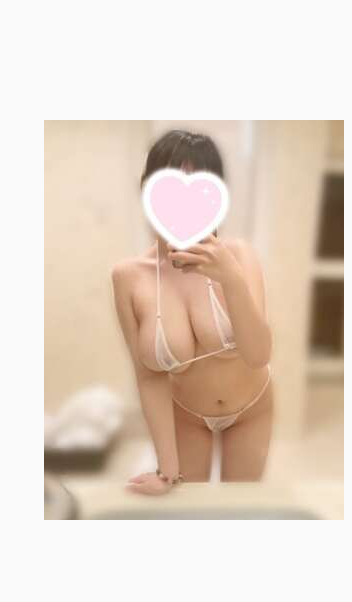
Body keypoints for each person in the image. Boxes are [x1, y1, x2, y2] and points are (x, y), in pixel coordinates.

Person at [111, 130, 273, 495]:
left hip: (251, 407)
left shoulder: (239, 256)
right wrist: (166, 471)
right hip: (186, 413)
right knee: (187, 508)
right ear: (146, 191)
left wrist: (230, 278)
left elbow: (259, 354)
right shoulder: (128, 277)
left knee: (239, 509)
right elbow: (148, 377)